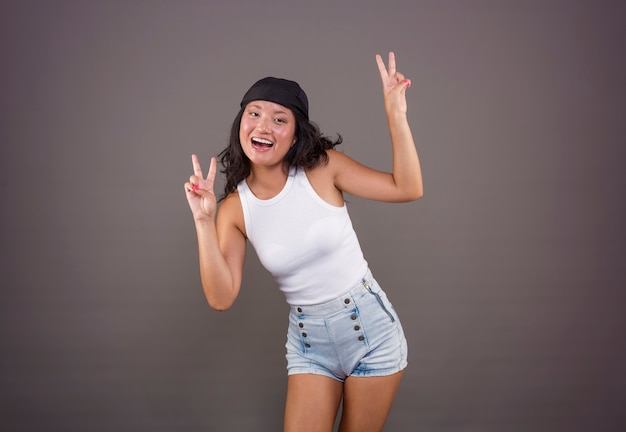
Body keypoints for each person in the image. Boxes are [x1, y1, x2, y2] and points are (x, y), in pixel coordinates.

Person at [184, 52, 423, 432]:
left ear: (295, 134)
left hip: (370, 330)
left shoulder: (323, 168)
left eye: (280, 119)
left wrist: (396, 114)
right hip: (310, 342)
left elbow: (407, 188)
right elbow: (220, 297)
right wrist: (203, 221)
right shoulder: (233, 209)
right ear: (241, 122)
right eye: (255, 113)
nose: (264, 125)